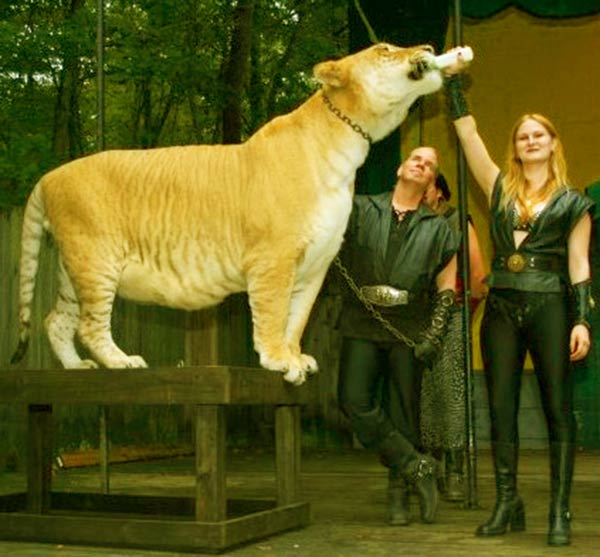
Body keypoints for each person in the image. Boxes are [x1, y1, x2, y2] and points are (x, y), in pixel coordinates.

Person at [444, 55, 594, 546]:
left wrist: (582, 321)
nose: (530, 140)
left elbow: (579, 264)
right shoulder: (499, 186)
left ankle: (560, 510)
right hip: (502, 310)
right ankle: (508, 501)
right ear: (516, 147)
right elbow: (468, 140)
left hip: (551, 307)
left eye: (538, 134)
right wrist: (452, 87)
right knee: (501, 405)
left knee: (557, 407)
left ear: (553, 143)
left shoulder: (575, 202)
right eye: (522, 135)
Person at [335, 146, 460, 526]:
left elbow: (446, 287)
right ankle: (415, 464)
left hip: (408, 329)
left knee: (404, 413)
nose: (421, 164)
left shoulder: (439, 229)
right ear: (400, 168)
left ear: (431, 183)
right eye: (416, 158)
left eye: (430, 165)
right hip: (362, 320)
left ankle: (398, 497)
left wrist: (434, 335)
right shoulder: (359, 208)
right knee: (352, 399)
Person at [419, 173, 487, 502]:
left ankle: (456, 468)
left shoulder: (458, 221)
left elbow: (477, 276)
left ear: (441, 192)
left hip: (453, 311)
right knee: (423, 391)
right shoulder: (408, 222)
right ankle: (428, 465)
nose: (419, 193)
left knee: (452, 391)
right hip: (416, 316)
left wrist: (462, 315)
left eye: (426, 187)